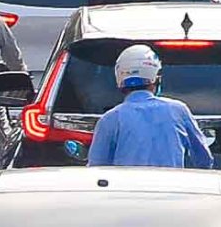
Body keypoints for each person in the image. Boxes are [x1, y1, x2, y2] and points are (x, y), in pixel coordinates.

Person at [79, 45, 211, 168]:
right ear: (156, 77)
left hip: (125, 191)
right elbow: (204, 160)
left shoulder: (110, 119)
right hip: (171, 190)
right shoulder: (178, 111)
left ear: (120, 80)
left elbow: (96, 168)